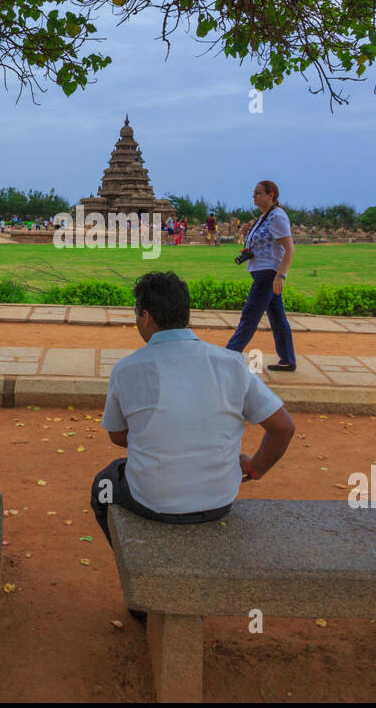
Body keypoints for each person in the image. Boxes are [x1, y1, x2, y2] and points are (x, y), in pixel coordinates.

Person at [92, 272, 295, 618]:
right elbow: (283, 428)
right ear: (185, 315)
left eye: (136, 314)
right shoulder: (230, 363)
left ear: (147, 316)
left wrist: (152, 437)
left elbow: (116, 436)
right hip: (219, 499)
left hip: (152, 500)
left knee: (104, 487)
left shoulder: (127, 369)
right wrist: (254, 467)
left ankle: (141, 588)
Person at [225, 180, 296, 371]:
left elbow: (289, 249)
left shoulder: (277, 217)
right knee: (277, 317)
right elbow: (261, 243)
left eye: (258, 193)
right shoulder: (263, 217)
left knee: (250, 315)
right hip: (261, 271)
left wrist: (281, 276)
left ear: (270, 194)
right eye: (253, 193)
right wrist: (247, 236)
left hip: (268, 273)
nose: (253, 197)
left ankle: (229, 355)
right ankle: (288, 359)